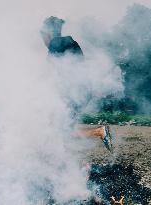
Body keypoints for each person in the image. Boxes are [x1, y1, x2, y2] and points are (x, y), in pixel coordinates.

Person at [40, 16, 112, 152]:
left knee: (59, 131)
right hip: (79, 92)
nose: (42, 39)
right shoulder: (70, 43)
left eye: (42, 34)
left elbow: (56, 74)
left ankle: (100, 132)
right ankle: (61, 158)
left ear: (49, 32)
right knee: (60, 129)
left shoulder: (55, 46)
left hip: (73, 93)